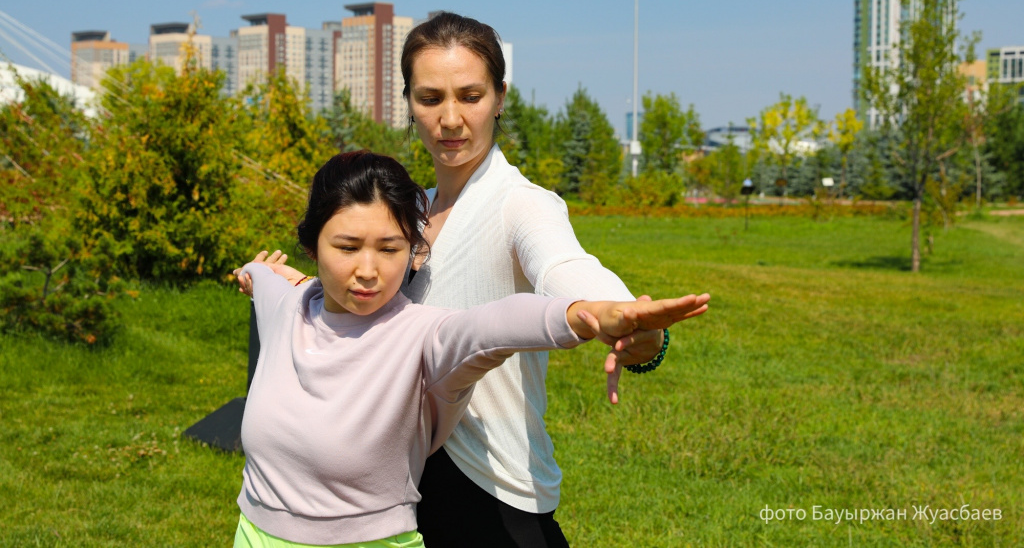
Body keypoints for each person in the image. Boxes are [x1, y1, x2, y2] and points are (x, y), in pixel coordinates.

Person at [258, 12, 688, 546]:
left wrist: (631, 323)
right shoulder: (409, 211)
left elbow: (562, 267)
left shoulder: (521, 205)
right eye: (431, 98)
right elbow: (370, 303)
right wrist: (295, 289)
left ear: (501, 97)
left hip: (491, 495)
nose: (451, 118)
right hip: (400, 488)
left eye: (471, 95)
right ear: (409, 103)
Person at [232, 150, 711, 547]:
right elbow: (263, 278)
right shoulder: (289, 305)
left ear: (414, 250)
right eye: (348, 247)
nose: (368, 270)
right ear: (312, 246)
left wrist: (591, 314)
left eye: (390, 248)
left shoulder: (423, 337)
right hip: (251, 533)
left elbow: (496, 325)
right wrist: (254, 273)